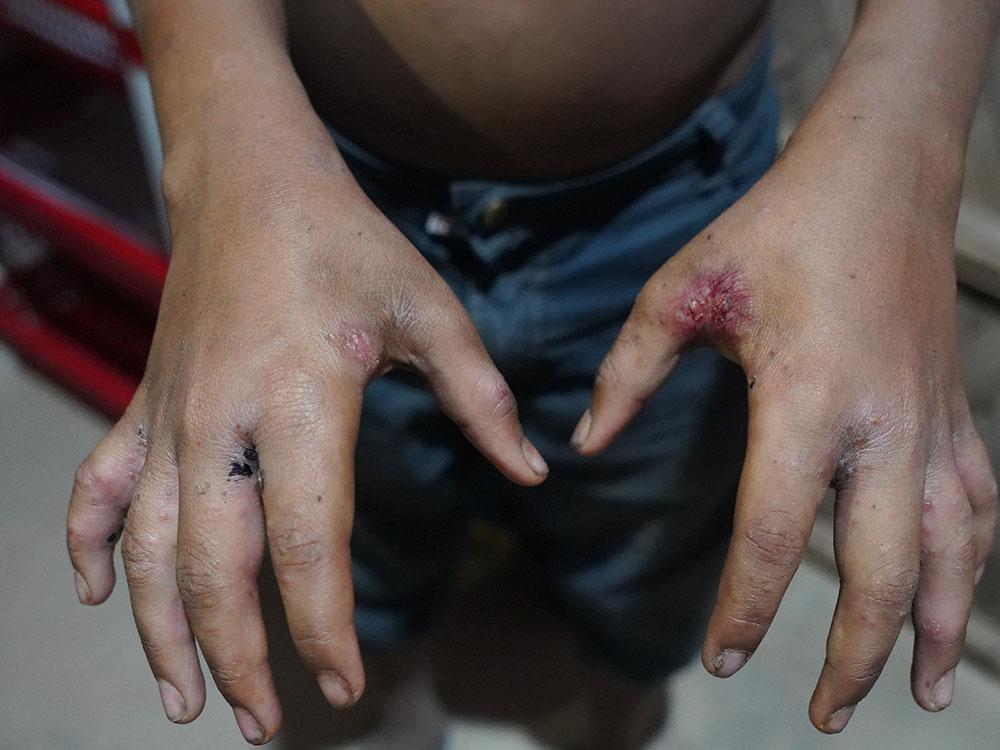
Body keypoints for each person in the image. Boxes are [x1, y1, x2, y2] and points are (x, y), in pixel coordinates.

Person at [65, 0, 998, 746]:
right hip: (315, 188)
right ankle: (384, 708)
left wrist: (910, 153)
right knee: (345, 533)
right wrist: (217, 151)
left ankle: (621, 710)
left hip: (694, 202)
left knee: (654, 547)